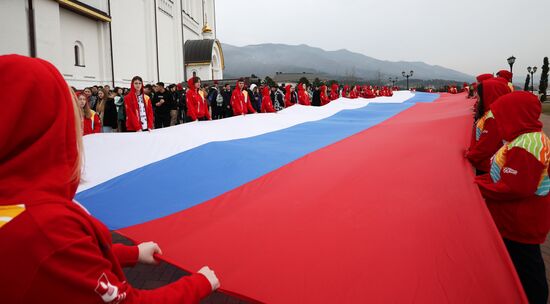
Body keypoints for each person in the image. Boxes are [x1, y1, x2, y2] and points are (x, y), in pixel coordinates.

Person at [0, 54, 219, 304]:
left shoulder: (18, 210)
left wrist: (131, 253)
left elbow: (74, 260)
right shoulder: (47, 228)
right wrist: (198, 284)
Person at [475, 91, 550, 304]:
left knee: (527, 271)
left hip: (520, 225)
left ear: (515, 115)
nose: (499, 121)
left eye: (503, 115)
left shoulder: (527, 145)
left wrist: (478, 186)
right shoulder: (522, 139)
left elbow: (514, 187)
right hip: (516, 222)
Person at [465, 79, 511, 173]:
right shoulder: (490, 114)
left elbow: (485, 147)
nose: (477, 97)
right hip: (486, 164)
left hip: (487, 167)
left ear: (489, 95)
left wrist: (469, 155)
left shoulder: (493, 118)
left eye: (480, 95)